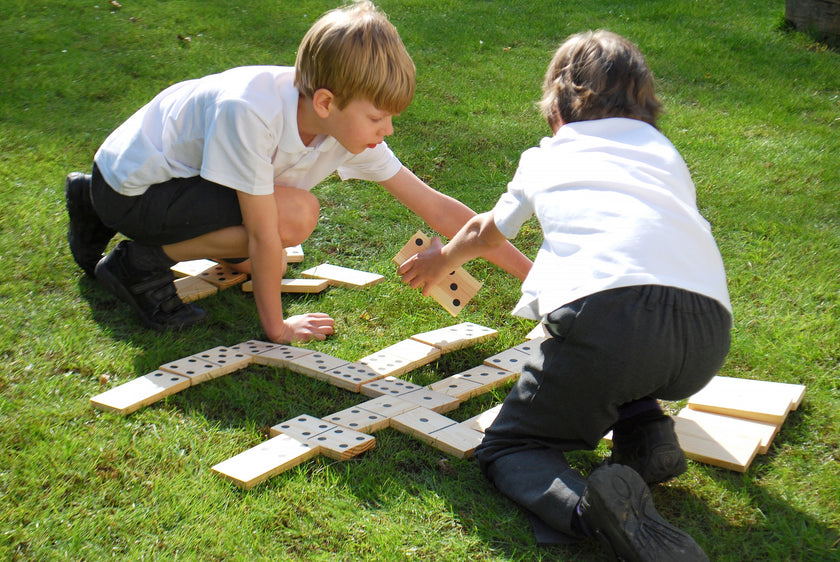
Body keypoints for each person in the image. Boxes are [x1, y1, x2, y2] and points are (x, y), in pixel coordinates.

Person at [398, 30, 732, 560]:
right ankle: (648, 434)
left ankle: (589, 513)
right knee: (630, 355)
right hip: (707, 332)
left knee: (509, 446)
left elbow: (488, 232)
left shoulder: (550, 155)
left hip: (611, 319)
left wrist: (443, 260)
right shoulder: (664, 153)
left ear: (557, 106)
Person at [64, 0, 531, 344]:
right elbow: (263, 233)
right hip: (132, 190)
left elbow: (438, 209)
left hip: (150, 179)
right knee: (292, 218)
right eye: (377, 118)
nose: (387, 130)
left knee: (263, 254)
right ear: (326, 102)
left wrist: (536, 278)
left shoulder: (342, 123)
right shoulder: (251, 111)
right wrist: (278, 328)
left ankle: (89, 202)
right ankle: (137, 264)